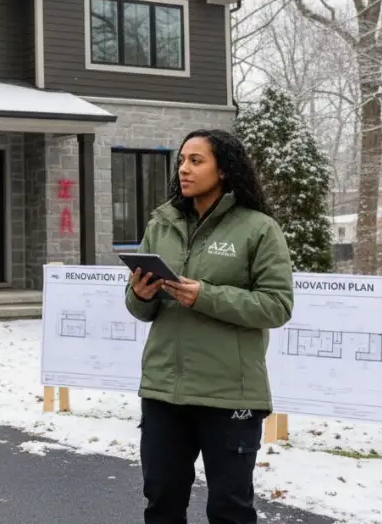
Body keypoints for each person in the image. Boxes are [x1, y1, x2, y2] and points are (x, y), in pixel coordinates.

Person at [125, 128, 294, 524]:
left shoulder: (258, 229)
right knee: (161, 503)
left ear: (224, 170)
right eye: (182, 161)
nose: (184, 169)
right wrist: (142, 294)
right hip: (164, 391)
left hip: (229, 394)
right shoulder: (161, 225)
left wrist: (205, 296)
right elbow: (139, 309)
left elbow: (277, 305)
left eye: (196, 161)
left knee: (230, 510)